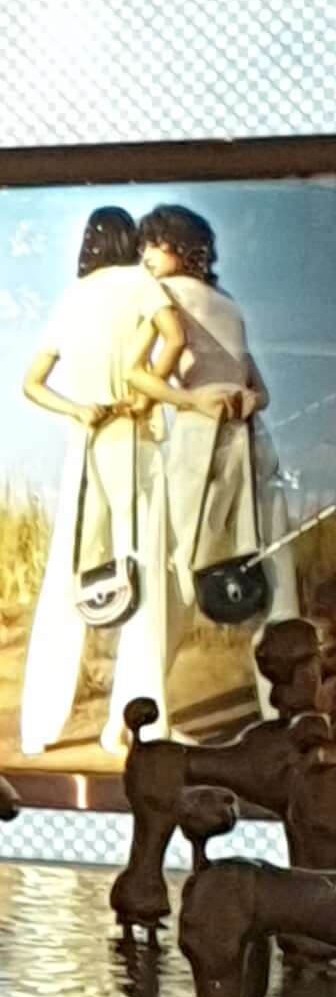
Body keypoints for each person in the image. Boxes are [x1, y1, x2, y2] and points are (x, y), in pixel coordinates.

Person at [17, 204, 167, 756]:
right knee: (141, 574)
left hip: (85, 442)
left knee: (68, 574)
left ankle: (39, 726)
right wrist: (147, 392)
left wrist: (77, 409)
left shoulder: (73, 296)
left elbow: (32, 382)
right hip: (131, 436)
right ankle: (129, 724)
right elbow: (171, 336)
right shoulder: (141, 284)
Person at [125, 203, 293, 687]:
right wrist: (243, 399)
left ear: (179, 246)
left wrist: (186, 399)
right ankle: (281, 696)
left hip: (202, 435)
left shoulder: (163, 293)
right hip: (247, 432)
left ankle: (144, 697)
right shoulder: (228, 302)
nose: (146, 254)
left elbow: (136, 372)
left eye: (154, 243)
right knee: (265, 564)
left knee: (176, 563)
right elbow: (259, 388)